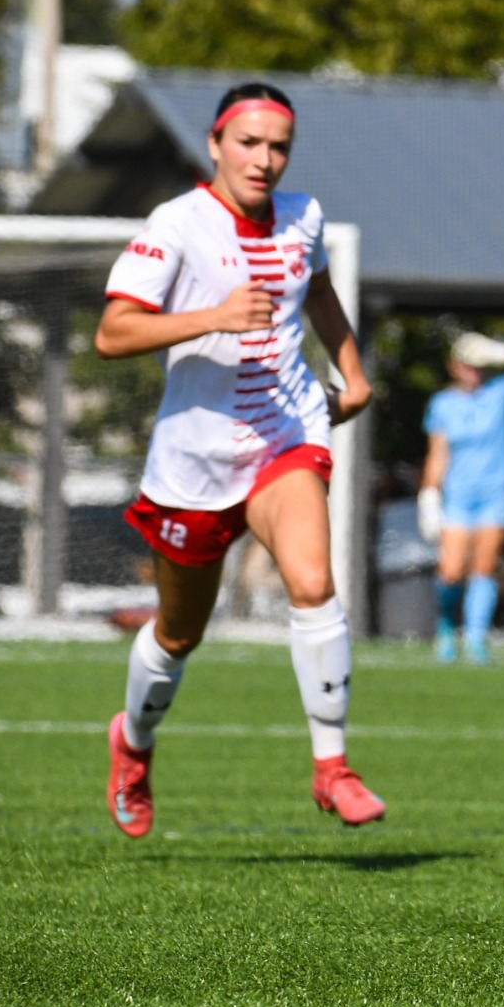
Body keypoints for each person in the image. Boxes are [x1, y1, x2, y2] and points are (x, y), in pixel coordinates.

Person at [96, 82, 383, 835]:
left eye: (278, 145)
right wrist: (213, 317)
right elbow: (114, 331)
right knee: (178, 633)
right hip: (193, 464)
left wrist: (351, 374)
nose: (265, 160)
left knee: (314, 581)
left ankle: (333, 766)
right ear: (216, 143)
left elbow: (317, 291)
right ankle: (133, 742)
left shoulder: (304, 216)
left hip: (286, 435)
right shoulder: (178, 223)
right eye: (249, 143)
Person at [416, 333, 504, 663]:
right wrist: (430, 495)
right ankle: (446, 625)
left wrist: (496, 350)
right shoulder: (442, 404)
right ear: (454, 367)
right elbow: (438, 454)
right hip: (458, 494)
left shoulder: (498, 392)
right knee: (450, 569)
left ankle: (476, 637)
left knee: (484, 566)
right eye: (467, 365)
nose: (473, 372)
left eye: (479, 366)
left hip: (493, 491)